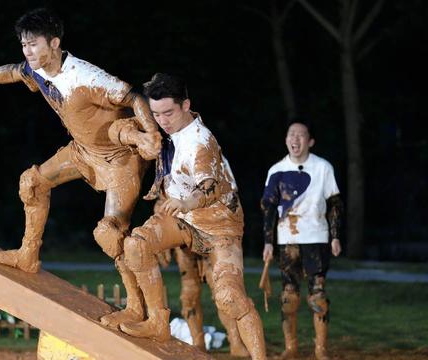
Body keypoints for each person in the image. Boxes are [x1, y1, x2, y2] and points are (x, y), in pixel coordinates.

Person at [0, 8, 161, 328]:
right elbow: (12, 71)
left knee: (109, 234)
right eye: (23, 45)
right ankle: (27, 255)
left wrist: (151, 135)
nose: (27, 51)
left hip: (120, 158)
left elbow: (134, 97)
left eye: (33, 44)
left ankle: (138, 308)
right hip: (83, 151)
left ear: (55, 43)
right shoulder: (37, 70)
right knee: (31, 183)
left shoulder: (85, 77)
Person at [118, 73, 266, 359]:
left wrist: (186, 202)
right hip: (184, 220)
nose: (162, 120)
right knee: (136, 244)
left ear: (186, 105)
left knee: (229, 297)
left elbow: (208, 186)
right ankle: (158, 323)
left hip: (218, 224)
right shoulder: (164, 132)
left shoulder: (201, 142)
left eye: (168, 113)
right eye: (156, 113)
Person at [261, 120, 343, 360]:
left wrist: (335, 236)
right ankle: (291, 347)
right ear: (286, 140)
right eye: (291, 134)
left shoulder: (322, 167)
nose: (295, 139)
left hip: (317, 237)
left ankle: (321, 350)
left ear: (310, 141)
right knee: (289, 296)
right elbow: (267, 208)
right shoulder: (276, 170)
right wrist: (268, 241)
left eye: (301, 135)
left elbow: (335, 203)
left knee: (318, 296)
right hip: (288, 240)